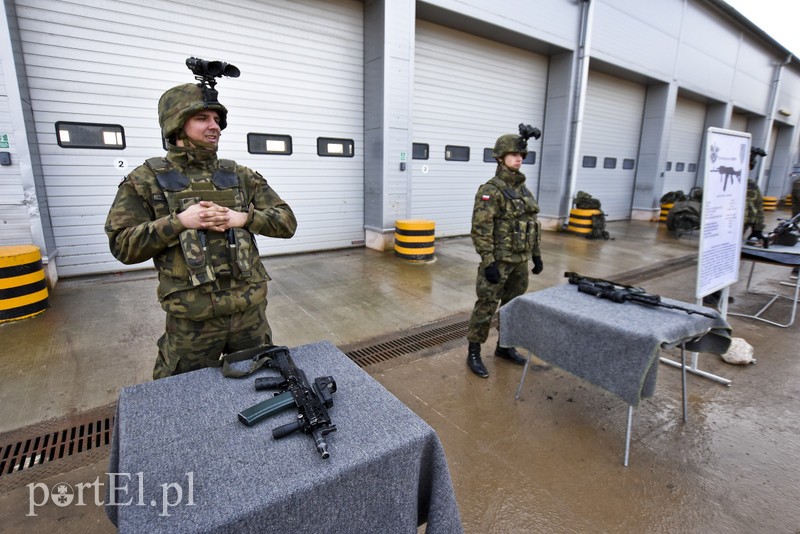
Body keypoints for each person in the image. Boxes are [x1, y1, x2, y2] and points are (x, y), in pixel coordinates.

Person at [105, 71, 297, 380]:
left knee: (260, 386)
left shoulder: (240, 175)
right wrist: (179, 222)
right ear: (176, 125)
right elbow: (122, 245)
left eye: (217, 119)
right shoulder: (146, 180)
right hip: (193, 323)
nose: (214, 126)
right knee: (183, 399)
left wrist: (245, 218)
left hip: (249, 316)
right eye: (202, 118)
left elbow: (287, 222)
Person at [466, 129, 543, 378]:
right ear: (500, 157)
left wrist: (536, 254)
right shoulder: (491, 190)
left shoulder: (523, 191)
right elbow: (481, 229)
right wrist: (488, 261)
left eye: (521, 154)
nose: (519, 158)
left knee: (513, 307)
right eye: (513, 154)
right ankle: (474, 351)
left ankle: (505, 347)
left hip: (520, 262)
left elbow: (531, 224)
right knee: (487, 306)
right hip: (498, 262)